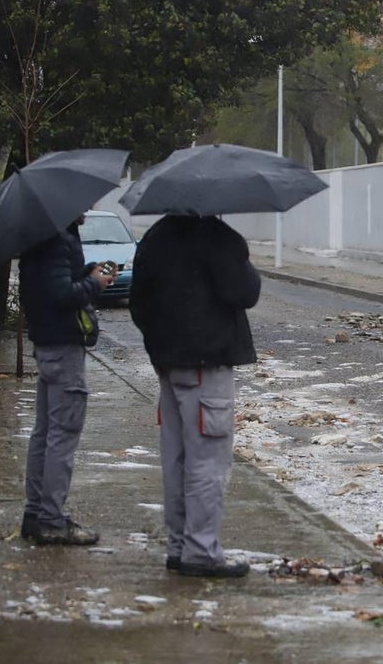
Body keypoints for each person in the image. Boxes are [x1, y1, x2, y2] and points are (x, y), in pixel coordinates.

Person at [128, 215, 260, 578]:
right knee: (207, 462)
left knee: (176, 459)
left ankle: (179, 546)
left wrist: (161, 347)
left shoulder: (155, 236)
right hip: (207, 364)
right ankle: (201, 550)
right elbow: (245, 292)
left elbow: (137, 302)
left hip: (169, 366)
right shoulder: (218, 237)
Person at [19, 216, 115, 545]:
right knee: (62, 435)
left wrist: (86, 272)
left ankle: (36, 514)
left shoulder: (41, 235)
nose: (90, 206)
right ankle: (51, 520)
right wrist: (95, 284)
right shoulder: (58, 238)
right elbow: (61, 294)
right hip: (63, 349)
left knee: (44, 433)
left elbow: (52, 283)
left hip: (47, 346)